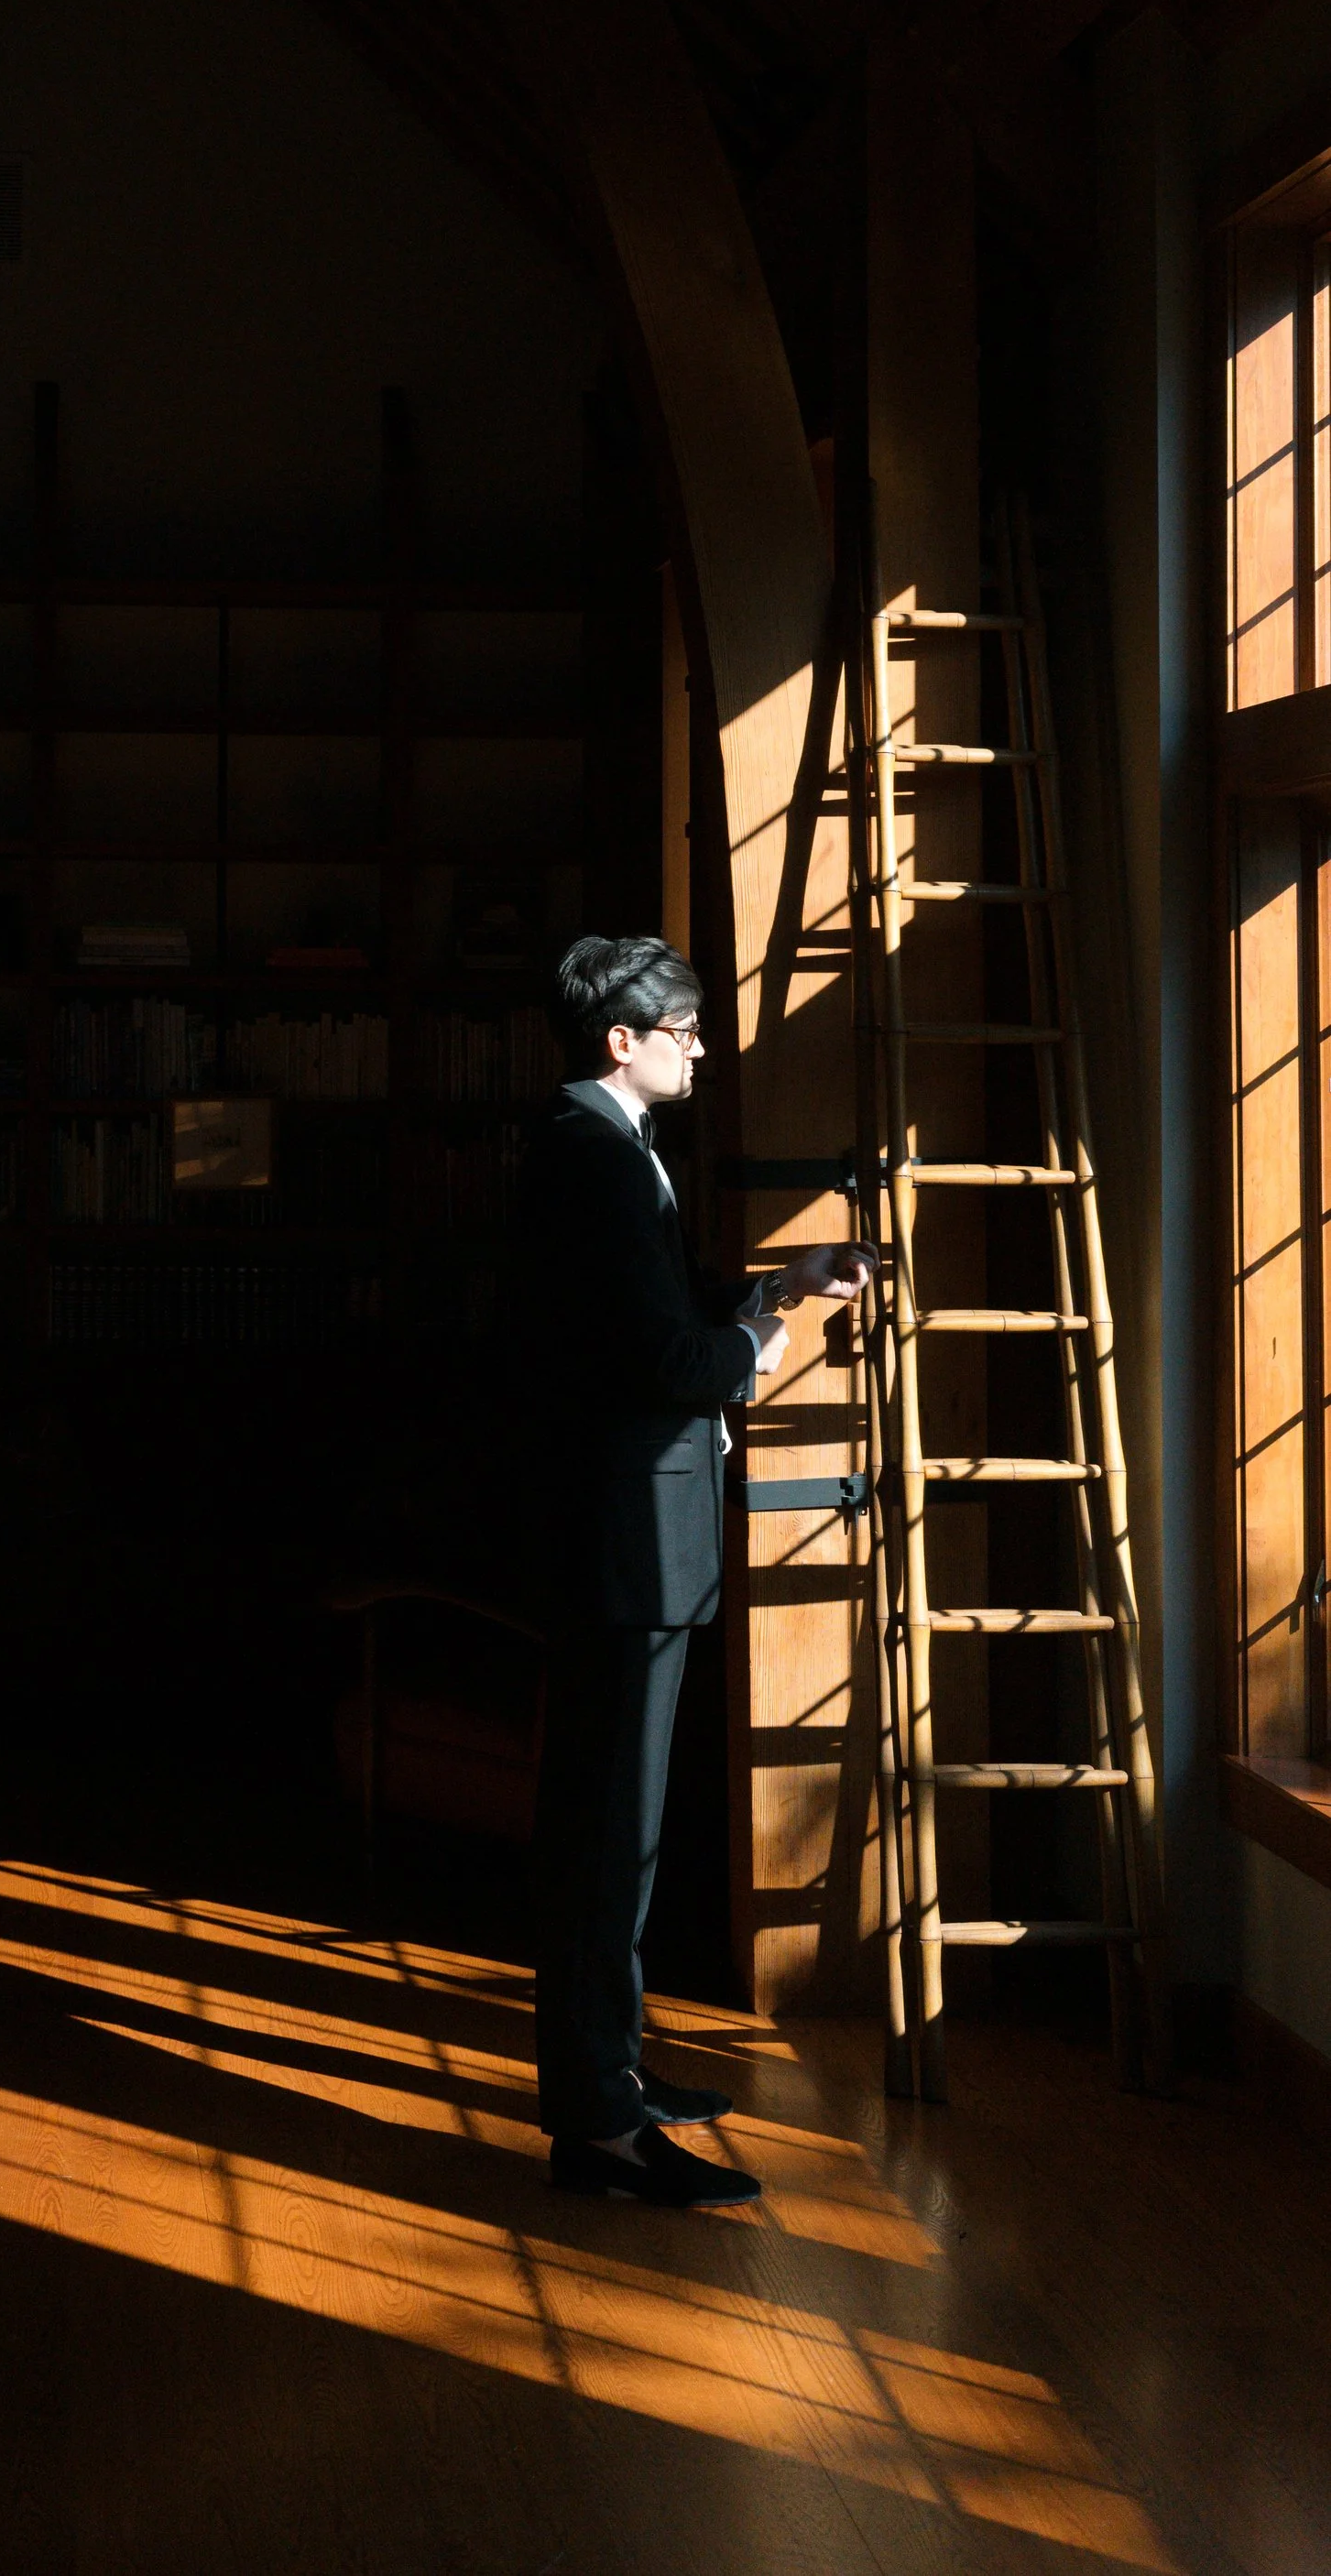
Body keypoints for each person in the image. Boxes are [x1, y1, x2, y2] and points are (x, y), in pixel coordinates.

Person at [516, 933, 871, 2209]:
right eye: (684, 1028)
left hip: (625, 1536)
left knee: (622, 1833)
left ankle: (612, 2072)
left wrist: (778, 1282)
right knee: (611, 1835)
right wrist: (762, 1338)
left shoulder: (606, 1147)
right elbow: (668, 1360)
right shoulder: (597, 1161)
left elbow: (661, 1303)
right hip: (622, 1542)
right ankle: (599, 2121)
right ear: (624, 1038)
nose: (701, 1045)